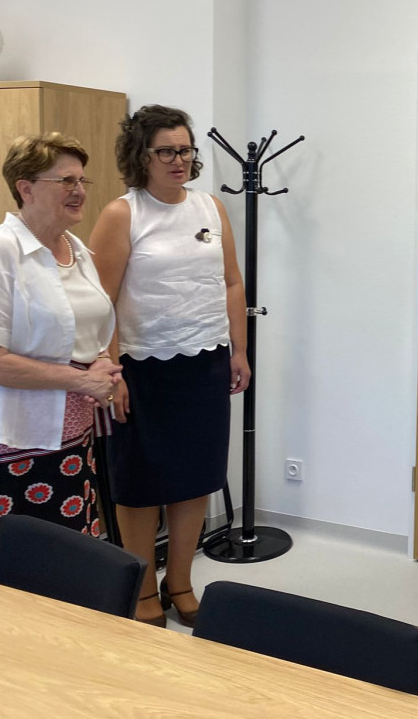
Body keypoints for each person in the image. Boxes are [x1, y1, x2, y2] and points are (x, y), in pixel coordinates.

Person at [90, 105, 250, 628]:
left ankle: (179, 581)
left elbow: (231, 281)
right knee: (139, 483)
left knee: (196, 478)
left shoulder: (210, 207)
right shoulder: (123, 214)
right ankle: (140, 588)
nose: (178, 160)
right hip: (141, 368)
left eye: (185, 150)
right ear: (142, 155)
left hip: (205, 361)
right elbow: (99, 300)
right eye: (166, 151)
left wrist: (239, 350)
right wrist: (110, 369)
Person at [0, 133, 120, 577]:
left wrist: (100, 360)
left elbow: (85, 327)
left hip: (70, 433)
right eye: (66, 180)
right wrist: (80, 379)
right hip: (9, 438)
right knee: (22, 569)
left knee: (67, 560)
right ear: (26, 187)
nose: (79, 190)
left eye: (82, 180)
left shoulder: (76, 249)